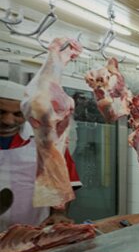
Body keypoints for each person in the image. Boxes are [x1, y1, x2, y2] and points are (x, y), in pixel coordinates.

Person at [0, 79, 81, 232]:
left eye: (18, 114)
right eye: (1, 112)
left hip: (29, 232)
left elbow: (64, 183)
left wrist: (59, 213)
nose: (8, 121)